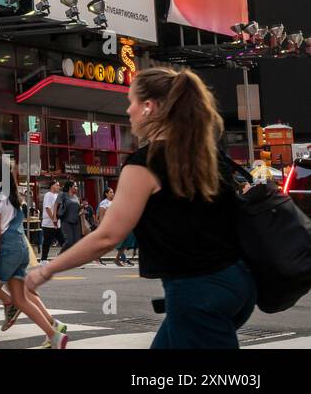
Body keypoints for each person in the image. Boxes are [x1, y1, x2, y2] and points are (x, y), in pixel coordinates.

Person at [27, 67, 256, 349]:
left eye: (131, 101)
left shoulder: (146, 163)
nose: (128, 110)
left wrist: (46, 270)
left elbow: (107, 237)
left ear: (149, 107)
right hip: (237, 280)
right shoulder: (206, 156)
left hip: (197, 290)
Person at [0, 161, 68, 349]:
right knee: (20, 299)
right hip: (21, 248)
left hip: (6, 250)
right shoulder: (12, 198)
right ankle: (54, 335)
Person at [40, 181, 63, 261]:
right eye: (57, 185)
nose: (59, 187)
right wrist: (53, 219)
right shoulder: (48, 195)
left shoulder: (57, 195)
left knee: (63, 241)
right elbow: (47, 208)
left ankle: (64, 257)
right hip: (48, 224)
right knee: (47, 243)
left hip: (57, 224)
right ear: (52, 186)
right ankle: (43, 260)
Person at [58, 181, 82, 252]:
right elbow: (56, 205)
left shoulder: (76, 197)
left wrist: (81, 209)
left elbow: (77, 209)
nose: (76, 188)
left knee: (76, 242)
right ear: (70, 187)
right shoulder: (63, 195)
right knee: (69, 241)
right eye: (75, 186)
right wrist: (54, 218)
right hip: (66, 220)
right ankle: (60, 255)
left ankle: (72, 257)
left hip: (76, 221)